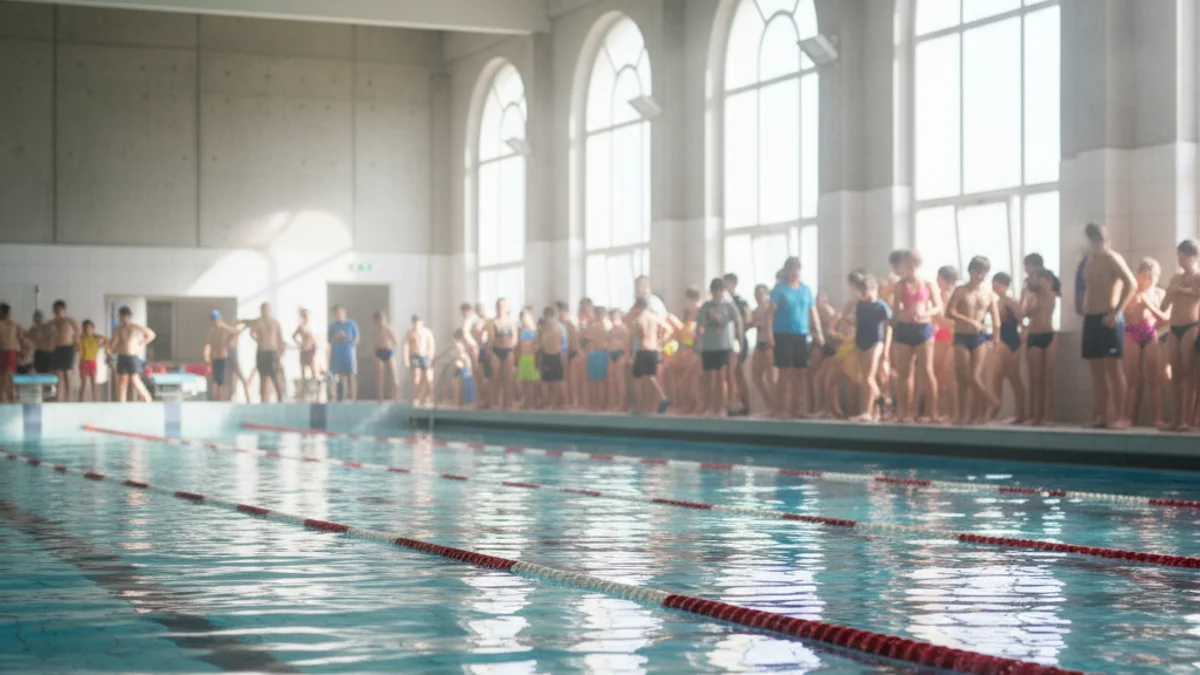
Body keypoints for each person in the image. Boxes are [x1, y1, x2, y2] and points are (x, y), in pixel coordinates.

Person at [1081, 222, 1138, 428]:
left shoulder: (1113, 258)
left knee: (1113, 369)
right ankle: (1102, 416)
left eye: (1097, 241)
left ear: (1103, 241)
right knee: (1096, 371)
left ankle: (1121, 416)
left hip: (1109, 318)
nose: (1094, 245)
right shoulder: (1089, 261)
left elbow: (1132, 284)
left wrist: (1117, 311)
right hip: (1092, 319)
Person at [945, 257, 1002, 424]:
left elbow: (996, 320)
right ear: (970, 271)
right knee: (962, 378)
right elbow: (949, 312)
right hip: (962, 336)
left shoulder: (988, 295)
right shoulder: (960, 291)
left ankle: (990, 404)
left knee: (973, 377)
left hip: (979, 338)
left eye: (983, 273)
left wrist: (996, 340)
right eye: (977, 272)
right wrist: (970, 321)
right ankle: (963, 415)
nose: (980, 276)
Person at [766, 256, 824, 418]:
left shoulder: (805, 290)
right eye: (791, 270)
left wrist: (819, 332)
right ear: (786, 271)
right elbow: (770, 314)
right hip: (783, 334)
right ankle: (782, 409)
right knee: (784, 373)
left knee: (801, 373)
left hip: (801, 335)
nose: (794, 273)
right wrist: (769, 334)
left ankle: (798, 408)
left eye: (796, 270)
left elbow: (813, 312)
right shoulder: (779, 290)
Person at [890, 250, 942, 423]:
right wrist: (900, 317)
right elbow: (895, 310)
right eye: (906, 263)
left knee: (926, 371)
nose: (909, 266)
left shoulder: (927, 284)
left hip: (923, 328)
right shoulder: (899, 285)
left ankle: (932, 412)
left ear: (918, 264)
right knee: (904, 372)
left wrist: (924, 313)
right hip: (905, 329)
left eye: (912, 263)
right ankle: (903, 411)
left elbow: (938, 306)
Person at [1123, 258, 1168, 428]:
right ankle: (1129, 417)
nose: (1150, 279)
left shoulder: (1159, 294)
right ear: (1138, 275)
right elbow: (1120, 314)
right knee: (1132, 379)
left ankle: (1158, 417)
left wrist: (1148, 304)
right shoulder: (1131, 292)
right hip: (1132, 332)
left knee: (1154, 378)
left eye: (1154, 276)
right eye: (1147, 276)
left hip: (1150, 333)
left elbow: (1165, 318)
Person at [1162, 243, 1200, 431]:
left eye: (1183, 257)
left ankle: (1187, 419)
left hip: (1191, 326)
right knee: (1175, 374)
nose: (1180, 261)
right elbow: (1164, 305)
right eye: (1179, 257)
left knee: (1189, 373)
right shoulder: (1176, 278)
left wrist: (1182, 291)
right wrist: (1171, 291)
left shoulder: (1198, 277)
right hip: (1174, 327)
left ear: (1193, 257)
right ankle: (1176, 420)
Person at [848, 271, 892, 421]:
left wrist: (886, 351)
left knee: (869, 377)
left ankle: (872, 408)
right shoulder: (861, 305)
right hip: (861, 341)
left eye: (866, 291)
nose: (864, 294)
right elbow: (858, 324)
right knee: (865, 379)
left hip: (876, 342)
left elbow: (888, 328)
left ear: (874, 289)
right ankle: (874, 409)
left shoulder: (881, 306)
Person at [696, 278, 743, 417]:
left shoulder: (729, 306)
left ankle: (722, 407)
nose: (718, 293)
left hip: (724, 345)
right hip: (709, 346)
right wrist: (698, 345)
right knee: (708, 378)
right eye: (715, 290)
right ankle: (709, 407)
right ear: (711, 291)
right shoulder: (706, 307)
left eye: (720, 291)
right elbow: (699, 327)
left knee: (721, 377)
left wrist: (739, 342)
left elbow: (738, 323)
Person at [990, 273, 1027, 424]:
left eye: (998, 283)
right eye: (994, 283)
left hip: (1010, 340)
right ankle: (995, 413)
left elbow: (1022, 317)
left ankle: (1020, 414)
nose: (995, 286)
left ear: (1005, 286)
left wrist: (1024, 331)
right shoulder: (995, 301)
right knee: (997, 377)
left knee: (1013, 377)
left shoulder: (1010, 302)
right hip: (1003, 340)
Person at [1025, 269, 1060, 426]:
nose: (1044, 282)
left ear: (1051, 282)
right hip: (1035, 336)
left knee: (1048, 379)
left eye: (1047, 279)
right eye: (1041, 279)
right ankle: (1036, 416)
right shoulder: (1032, 296)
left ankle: (1048, 416)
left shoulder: (1053, 295)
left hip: (1049, 335)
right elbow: (1025, 313)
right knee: (1036, 379)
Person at [629, 297, 672, 414]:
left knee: (638, 380)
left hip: (643, 350)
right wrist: (660, 342)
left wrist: (630, 354)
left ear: (638, 307)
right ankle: (659, 398)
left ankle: (640, 406)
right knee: (650, 377)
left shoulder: (638, 319)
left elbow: (632, 337)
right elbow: (669, 329)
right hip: (654, 350)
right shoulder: (654, 317)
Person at [240, 303, 285, 403]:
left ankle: (280, 399)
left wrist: (280, 353)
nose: (265, 311)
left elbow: (280, 338)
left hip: (272, 352)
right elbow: (252, 333)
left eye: (266, 309)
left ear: (270, 310)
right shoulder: (258, 322)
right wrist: (258, 340)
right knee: (263, 377)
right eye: (263, 309)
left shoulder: (275, 323)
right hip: (262, 352)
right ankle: (264, 400)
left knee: (275, 376)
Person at [110, 306, 156, 403]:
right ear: (120, 317)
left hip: (132, 356)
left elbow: (151, 335)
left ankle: (147, 399)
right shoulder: (118, 329)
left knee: (134, 379)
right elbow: (114, 342)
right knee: (123, 381)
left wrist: (141, 344)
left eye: (126, 317)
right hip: (122, 356)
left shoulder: (135, 327)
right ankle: (122, 403)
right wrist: (111, 349)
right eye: (122, 317)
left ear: (129, 317)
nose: (124, 319)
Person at [723, 273, 753, 415]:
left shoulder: (740, 301)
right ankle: (732, 404)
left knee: (736, 373)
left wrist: (737, 334)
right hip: (725, 341)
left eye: (728, 283)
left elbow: (748, 320)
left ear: (734, 284)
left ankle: (741, 405)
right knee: (729, 374)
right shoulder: (722, 301)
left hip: (737, 340)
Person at [933, 266, 959, 422]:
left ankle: (951, 413)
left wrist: (936, 318)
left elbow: (948, 321)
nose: (937, 282)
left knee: (948, 379)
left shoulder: (952, 297)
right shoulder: (942, 296)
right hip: (940, 338)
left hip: (948, 339)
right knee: (939, 379)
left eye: (939, 279)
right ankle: (942, 412)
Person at [47, 300, 80, 402]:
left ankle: (69, 399)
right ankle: (59, 398)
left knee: (67, 373)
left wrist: (77, 345)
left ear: (63, 309)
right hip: (57, 349)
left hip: (68, 348)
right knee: (58, 374)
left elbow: (78, 333)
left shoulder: (70, 321)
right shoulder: (51, 323)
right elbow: (48, 337)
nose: (57, 311)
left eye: (59, 309)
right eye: (56, 310)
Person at [748, 284, 774, 415]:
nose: (758, 296)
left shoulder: (771, 308)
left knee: (770, 378)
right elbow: (750, 323)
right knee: (756, 377)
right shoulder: (755, 310)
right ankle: (770, 405)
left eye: (761, 293)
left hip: (769, 344)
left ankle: (775, 407)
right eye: (756, 293)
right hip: (759, 344)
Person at [489, 298, 518, 411]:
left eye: (502, 306)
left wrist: (511, 345)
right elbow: (491, 338)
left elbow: (515, 337)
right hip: (496, 350)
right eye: (498, 306)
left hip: (508, 350)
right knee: (496, 377)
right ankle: (496, 402)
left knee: (508, 378)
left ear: (506, 308)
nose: (500, 308)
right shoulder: (493, 321)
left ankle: (508, 402)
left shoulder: (510, 322)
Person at [328, 305, 360, 402]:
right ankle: (336, 396)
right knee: (335, 376)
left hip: (348, 353)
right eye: (337, 314)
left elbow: (356, 339)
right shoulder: (333, 326)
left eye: (341, 313)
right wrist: (336, 337)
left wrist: (347, 340)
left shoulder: (351, 324)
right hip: (337, 354)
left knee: (350, 375)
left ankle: (353, 397)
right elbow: (329, 340)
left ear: (344, 313)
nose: (339, 315)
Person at [403, 314, 435, 407]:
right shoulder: (410, 333)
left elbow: (431, 345)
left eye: (418, 322)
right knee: (416, 378)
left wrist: (430, 358)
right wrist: (406, 359)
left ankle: (428, 398)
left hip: (425, 356)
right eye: (415, 323)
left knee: (428, 377)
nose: (417, 324)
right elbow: (406, 346)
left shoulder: (427, 332)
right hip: (415, 356)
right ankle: (415, 399)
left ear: (422, 322)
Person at [539, 306, 567, 409]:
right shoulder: (543, 328)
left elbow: (564, 342)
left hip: (556, 355)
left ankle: (554, 403)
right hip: (547, 355)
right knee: (546, 381)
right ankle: (548, 402)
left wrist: (563, 356)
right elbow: (539, 342)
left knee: (556, 382)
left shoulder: (559, 326)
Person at [583, 306, 610, 411]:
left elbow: (585, 335)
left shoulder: (596, 326)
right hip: (599, 353)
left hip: (597, 353)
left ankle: (598, 403)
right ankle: (599, 403)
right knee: (598, 381)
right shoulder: (605, 326)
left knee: (597, 381)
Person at [204, 311, 234, 401]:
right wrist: (206, 355)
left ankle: (223, 398)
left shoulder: (225, 329)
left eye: (217, 320)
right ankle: (216, 398)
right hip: (215, 358)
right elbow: (208, 344)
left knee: (223, 381)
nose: (215, 322)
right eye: (214, 320)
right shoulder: (211, 331)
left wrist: (224, 326)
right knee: (215, 380)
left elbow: (235, 331)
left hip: (223, 358)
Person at [515, 308, 540, 409]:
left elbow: (536, 346)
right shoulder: (521, 330)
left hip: (531, 358)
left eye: (524, 318)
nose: (523, 320)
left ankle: (532, 402)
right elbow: (519, 345)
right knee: (524, 381)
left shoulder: (535, 330)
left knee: (532, 382)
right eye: (522, 319)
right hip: (523, 358)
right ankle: (526, 400)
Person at [0, 304, 25, 403]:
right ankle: (8, 396)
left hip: (9, 352)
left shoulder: (15, 325)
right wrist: (22, 351)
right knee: (6, 375)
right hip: (7, 351)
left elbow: (21, 339)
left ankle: (7, 396)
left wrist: (23, 351)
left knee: (7, 375)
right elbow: (22, 340)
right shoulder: (14, 325)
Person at [373, 311, 400, 403]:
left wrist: (392, 350)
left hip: (389, 351)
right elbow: (374, 342)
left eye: (382, 320)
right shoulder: (375, 330)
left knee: (394, 374)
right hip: (379, 351)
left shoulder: (389, 328)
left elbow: (395, 342)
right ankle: (380, 398)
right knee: (380, 375)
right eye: (378, 320)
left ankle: (396, 397)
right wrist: (374, 354)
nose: (380, 322)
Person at [607, 308, 630, 412]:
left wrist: (626, 355)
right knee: (612, 381)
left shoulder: (623, 328)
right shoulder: (611, 329)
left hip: (621, 353)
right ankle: (613, 404)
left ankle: (622, 404)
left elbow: (628, 342)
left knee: (621, 381)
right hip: (611, 353)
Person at [293, 307, 319, 389]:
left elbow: (314, 339)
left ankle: (316, 387)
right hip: (304, 349)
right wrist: (300, 343)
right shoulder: (301, 326)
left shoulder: (311, 326)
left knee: (313, 369)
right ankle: (303, 388)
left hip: (311, 349)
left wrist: (315, 347)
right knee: (303, 370)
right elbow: (294, 336)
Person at [27, 311, 53, 376]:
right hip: (39, 353)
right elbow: (27, 341)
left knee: (50, 374)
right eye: (36, 320)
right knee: (40, 373)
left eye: (39, 319)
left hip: (49, 353)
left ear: (43, 318)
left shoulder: (49, 327)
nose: (37, 321)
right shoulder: (32, 330)